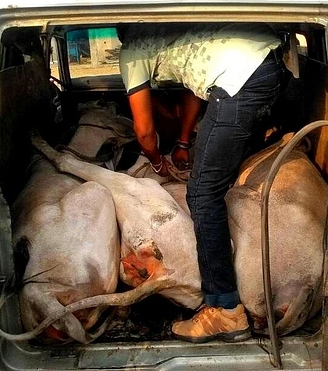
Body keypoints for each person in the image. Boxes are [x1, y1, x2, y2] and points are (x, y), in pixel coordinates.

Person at [119, 23, 285, 343]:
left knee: (201, 194)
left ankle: (224, 309)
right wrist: (183, 143)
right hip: (270, 65)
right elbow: (195, 88)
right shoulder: (178, 24)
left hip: (239, 80)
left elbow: (143, 132)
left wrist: (156, 160)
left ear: (120, 32)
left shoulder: (131, 52)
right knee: (217, 176)